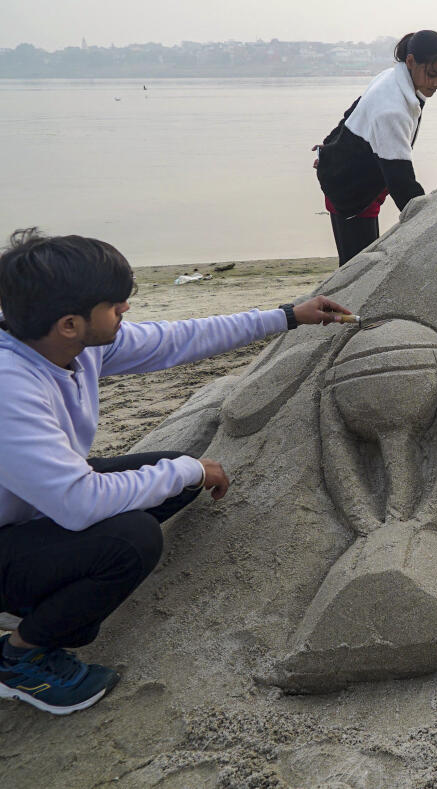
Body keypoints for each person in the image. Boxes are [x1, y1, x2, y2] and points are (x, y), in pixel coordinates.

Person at [0, 228, 351, 714]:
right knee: (132, 539)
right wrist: (187, 468)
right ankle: (21, 657)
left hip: (30, 503)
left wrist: (288, 316)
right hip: (25, 519)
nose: (124, 311)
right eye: (114, 304)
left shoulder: (71, 344)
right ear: (68, 323)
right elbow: (78, 504)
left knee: (170, 482)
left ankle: (47, 592)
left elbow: (178, 340)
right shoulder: (10, 386)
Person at [315, 30, 437, 265]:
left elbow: (353, 112)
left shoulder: (392, 78)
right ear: (410, 61)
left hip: (345, 175)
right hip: (351, 193)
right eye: (432, 74)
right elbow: (401, 182)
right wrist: (431, 222)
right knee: (357, 270)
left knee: (353, 267)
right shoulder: (393, 109)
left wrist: (328, 147)